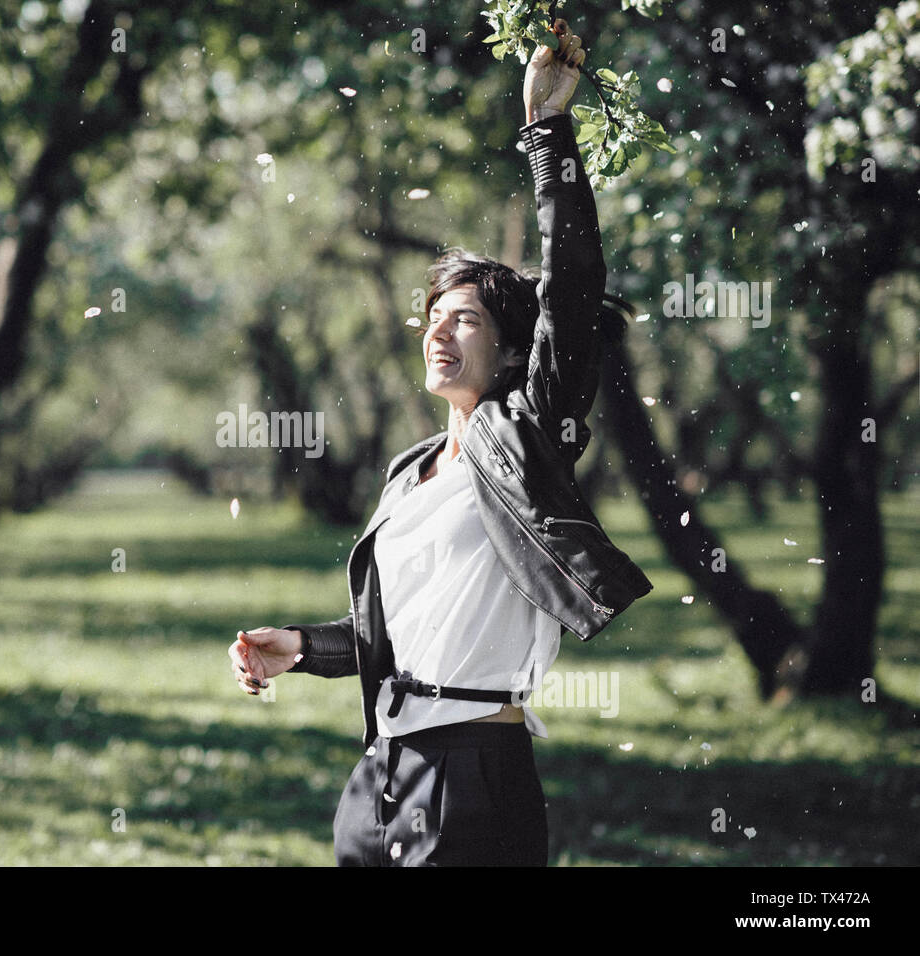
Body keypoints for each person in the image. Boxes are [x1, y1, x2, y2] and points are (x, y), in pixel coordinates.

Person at [227, 18, 653, 866]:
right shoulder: (411, 471)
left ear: (509, 347)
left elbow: (572, 289)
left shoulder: (528, 436)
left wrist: (545, 133)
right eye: (432, 318)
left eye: (465, 319)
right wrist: (303, 649)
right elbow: (402, 628)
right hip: (381, 771)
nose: (438, 333)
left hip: (476, 773)